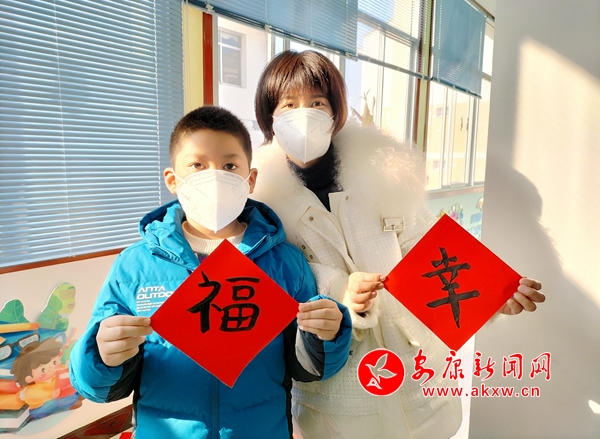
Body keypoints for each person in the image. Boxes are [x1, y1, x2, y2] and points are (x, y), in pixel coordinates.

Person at [250, 50, 546, 439]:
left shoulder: (385, 174)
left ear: (335, 112)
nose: (304, 115)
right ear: (269, 117)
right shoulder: (260, 206)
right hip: (337, 402)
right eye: (289, 105)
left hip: (417, 382)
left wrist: (489, 296)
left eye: (317, 103)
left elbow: (431, 252)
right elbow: (274, 287)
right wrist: (339, 291)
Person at [69, 106, 352, 439]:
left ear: (250, 180)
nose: (215, 176)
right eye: (197, 165)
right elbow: (98, 387)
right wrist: (102, 355)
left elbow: (308, 370)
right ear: (172, 180)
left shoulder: (285, 262)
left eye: (230, 166)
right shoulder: (135, 265)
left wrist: (326, 336)